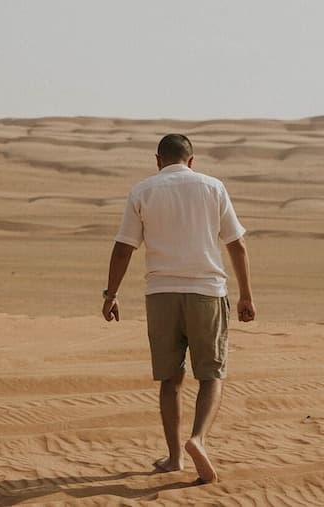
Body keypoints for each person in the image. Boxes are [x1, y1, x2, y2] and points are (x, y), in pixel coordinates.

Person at [103, 133, 255, 484]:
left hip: (161, 294)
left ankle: (174, 458)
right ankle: (198, 439)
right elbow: (237, 243)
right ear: (192, 160)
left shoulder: (143, 190)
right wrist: (246, 294)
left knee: (170, 380)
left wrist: (110, 295)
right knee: (211, 374)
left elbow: (123, 247)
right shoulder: (213, 187)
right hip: (207, 292)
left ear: (157, 160)